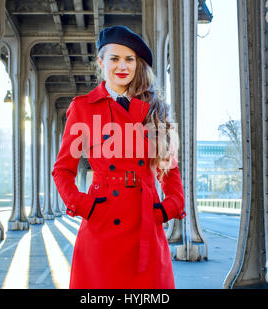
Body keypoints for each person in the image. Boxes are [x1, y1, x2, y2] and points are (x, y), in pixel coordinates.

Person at [52, 25, 186, 289]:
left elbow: (169, 169)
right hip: (102, 222)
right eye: (114, 58)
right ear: (101, 62)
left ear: (138, 64)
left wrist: (168, 207)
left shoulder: (154, 110)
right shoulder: (82, 108)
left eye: (129, 59)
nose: (122, 66)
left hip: (146, 221)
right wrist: (83, 205)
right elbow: (62, 170)